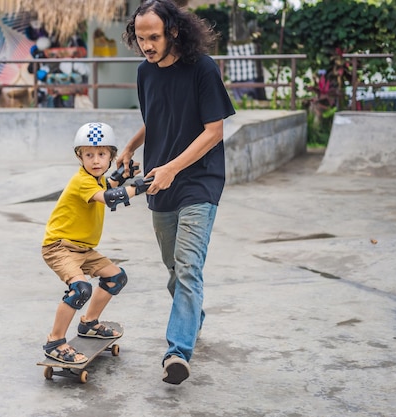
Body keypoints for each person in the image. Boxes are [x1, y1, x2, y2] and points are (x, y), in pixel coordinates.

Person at [120, 0, 236, 384]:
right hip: (159, 182)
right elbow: (155, 119)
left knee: (188, 267)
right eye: (140, 39)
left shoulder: (201, 68)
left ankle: (177, 352)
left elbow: (214, 131)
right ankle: (193, 315)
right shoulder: (145, 72)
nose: (147, 46)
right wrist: (130, 147)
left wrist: (173, 168)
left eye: (153, 37)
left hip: (199, 181)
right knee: (174, 268)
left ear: (173, 31)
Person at [41, 122, 149, 364]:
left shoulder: (96, 178)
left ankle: (89, 324)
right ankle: (55, 341)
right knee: (80, 290)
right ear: (79, 157)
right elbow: (108, 197)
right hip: (59, 247)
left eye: (102, 155)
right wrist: (139, 186)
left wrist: (122, 176)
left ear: (111, 156)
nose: (96, 160)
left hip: (84, 249)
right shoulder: (82, 181)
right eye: (89, 155)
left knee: (116, 277)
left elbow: (108, 185)